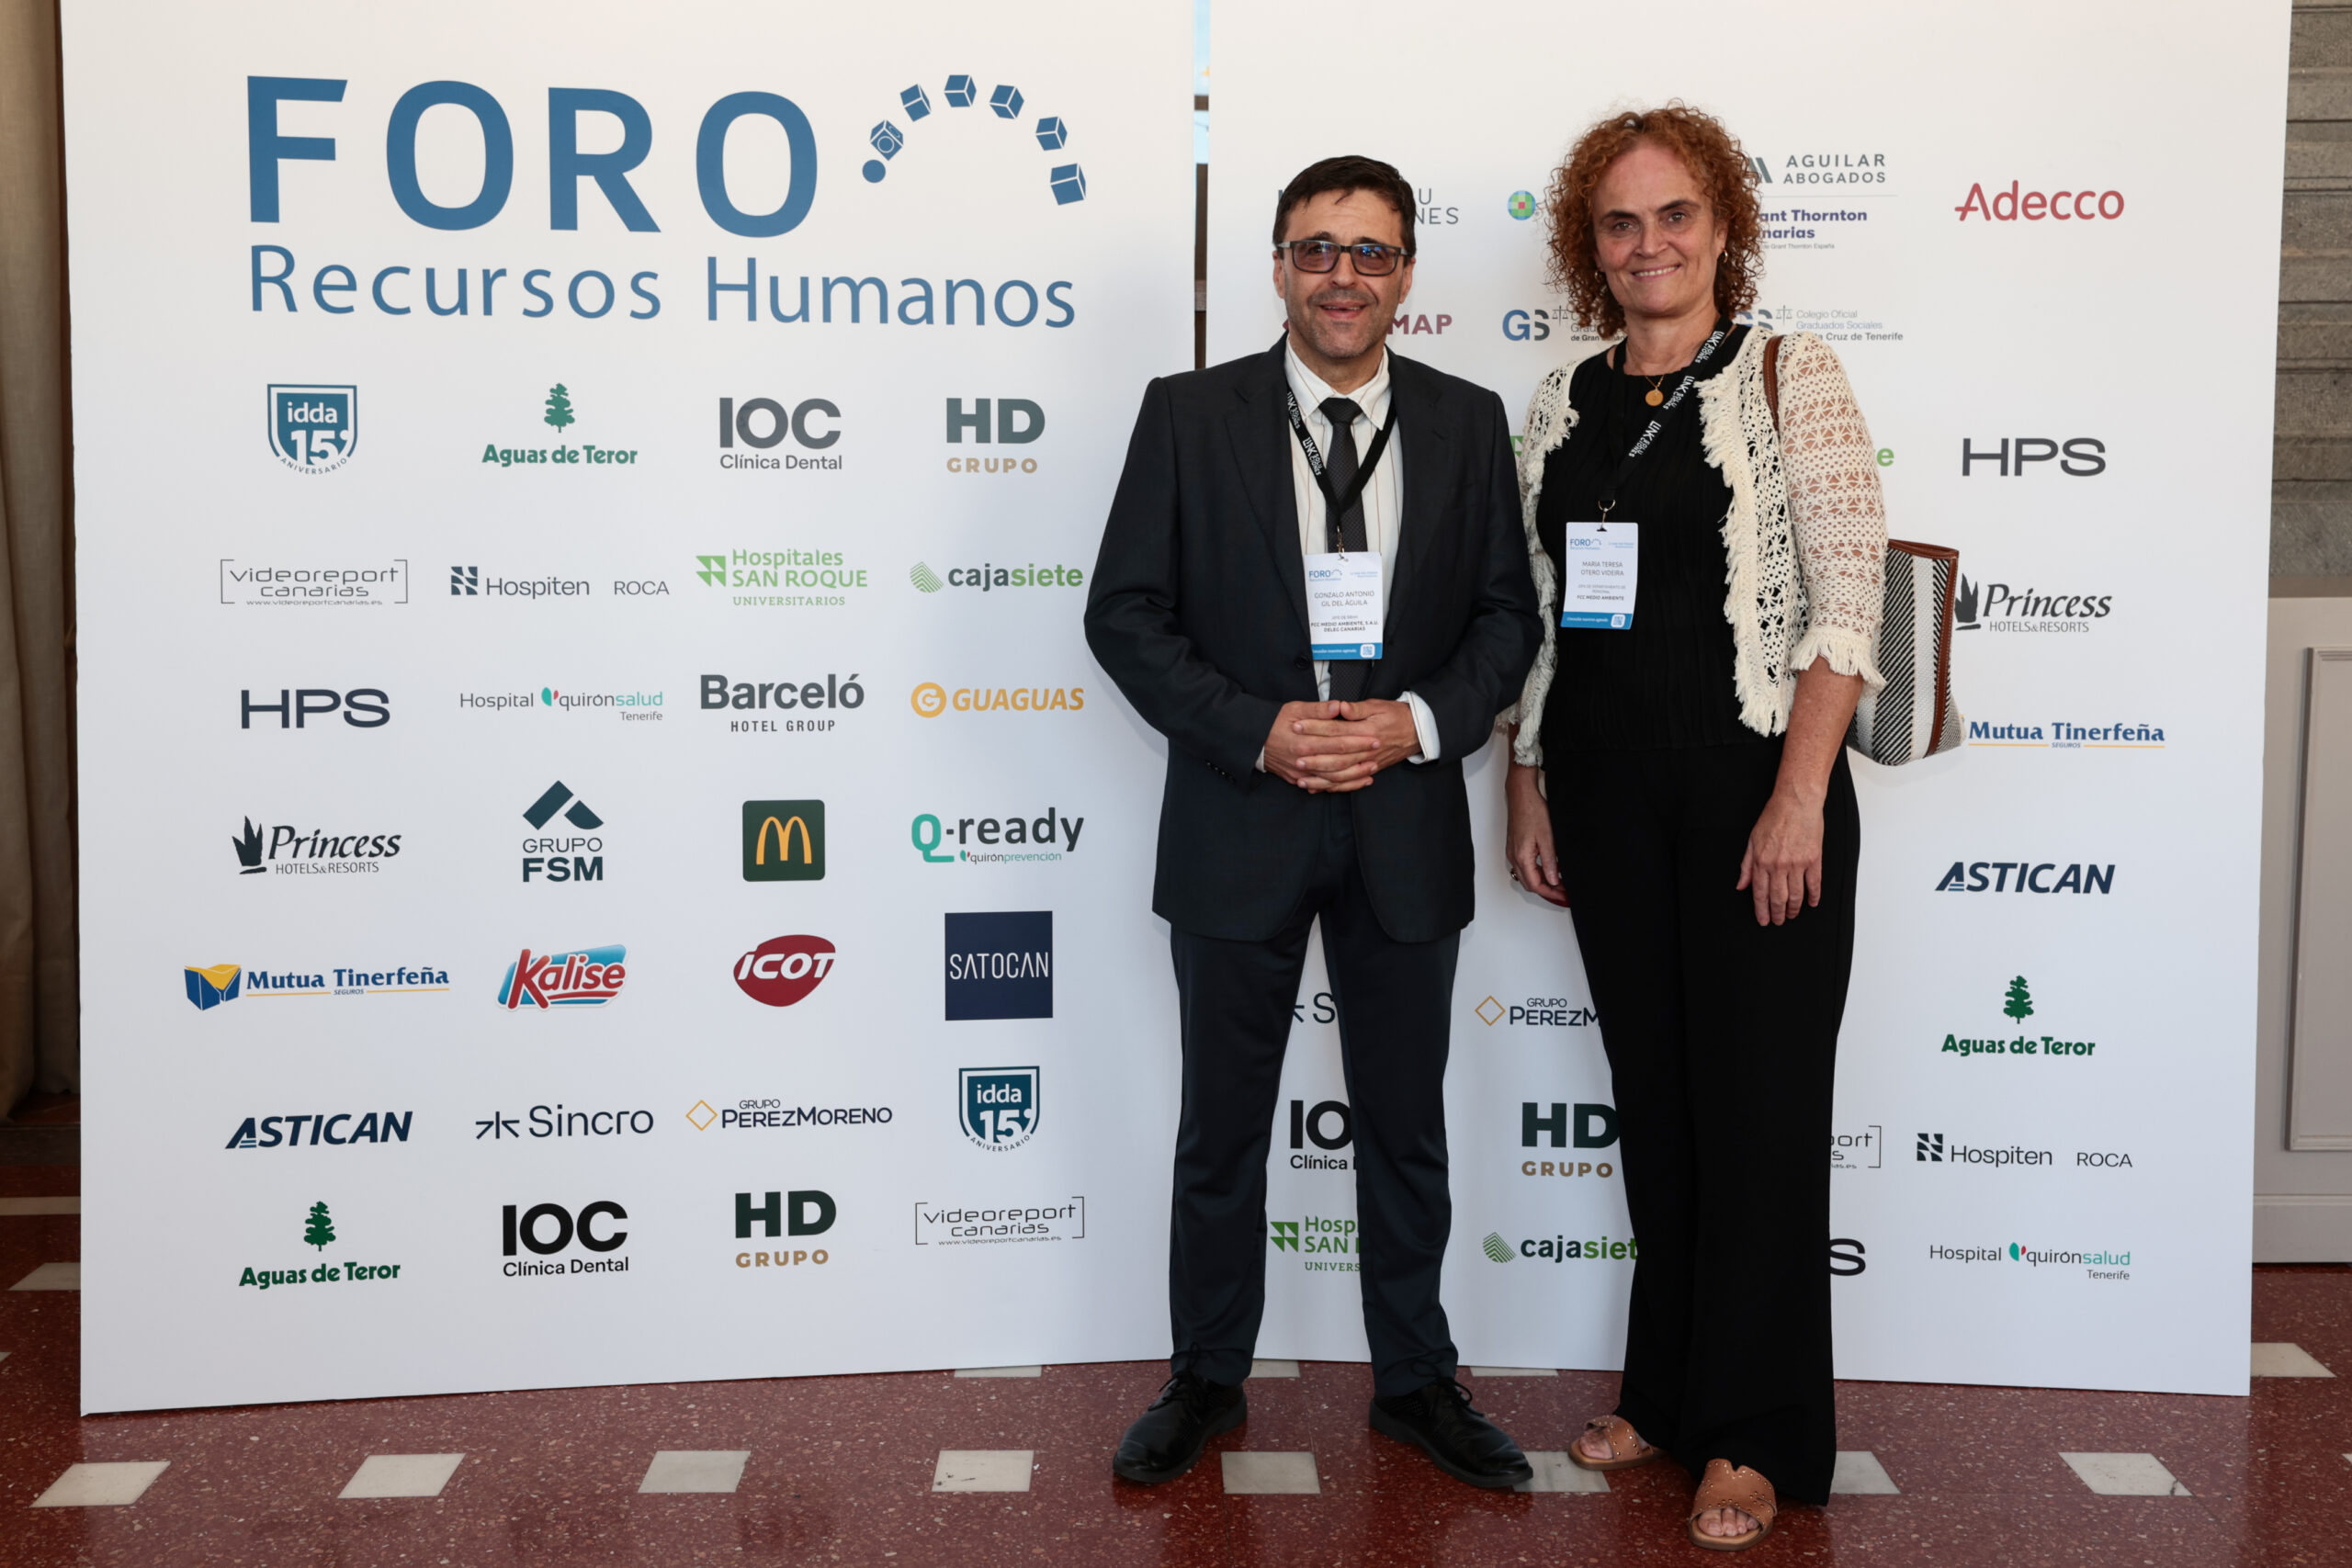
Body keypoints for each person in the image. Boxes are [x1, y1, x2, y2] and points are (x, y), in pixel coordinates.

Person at [1085, 154, 1542, 1490]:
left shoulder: (1466, 420)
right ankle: (1204, 1378)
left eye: (1371, 251)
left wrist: (1416, 723)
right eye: (1317, 249)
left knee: (1405, 1128)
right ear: (1279, 266)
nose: (1344, 276)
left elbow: (1507, 618)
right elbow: (1125, 614)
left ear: (1406, 273)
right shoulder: (1187, 414)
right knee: (1222, 1129)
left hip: (1405, 826)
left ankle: (1416, 1382)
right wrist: (1257, 728)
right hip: (1240, 819)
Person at [1498, 106, 1886, 1551]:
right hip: (1605, 798)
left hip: (1753, 797)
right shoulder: (1563, 398)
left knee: (1760, 1117)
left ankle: (1756, 1432)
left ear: (1725, 226)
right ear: (1588, 246)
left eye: (1675, 215)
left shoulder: (1791, 375)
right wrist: (1526, 776)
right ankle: (1663, 1396)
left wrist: (1798, 797)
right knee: (1658, 1109)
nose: (1648, 243)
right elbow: (1542, 615)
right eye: (1621, 221)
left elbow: (1847, 602)